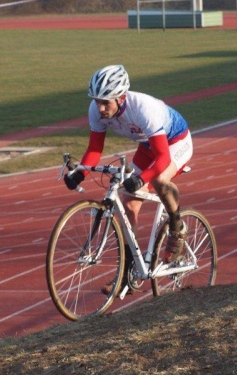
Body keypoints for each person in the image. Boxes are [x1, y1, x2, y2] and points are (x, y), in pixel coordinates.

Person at [64, 65, 193, 293]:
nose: (101, 108)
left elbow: (163, 156)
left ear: (121, 97)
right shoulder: (96, 110)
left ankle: (177, 225)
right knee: (129, 202)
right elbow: (95, 148)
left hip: (175, 142)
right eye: (96, 101)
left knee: (159, 180)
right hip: (147, 145)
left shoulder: (143, 109)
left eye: (106, 102)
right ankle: (127, 272)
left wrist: (142, 179)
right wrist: (80, 174)